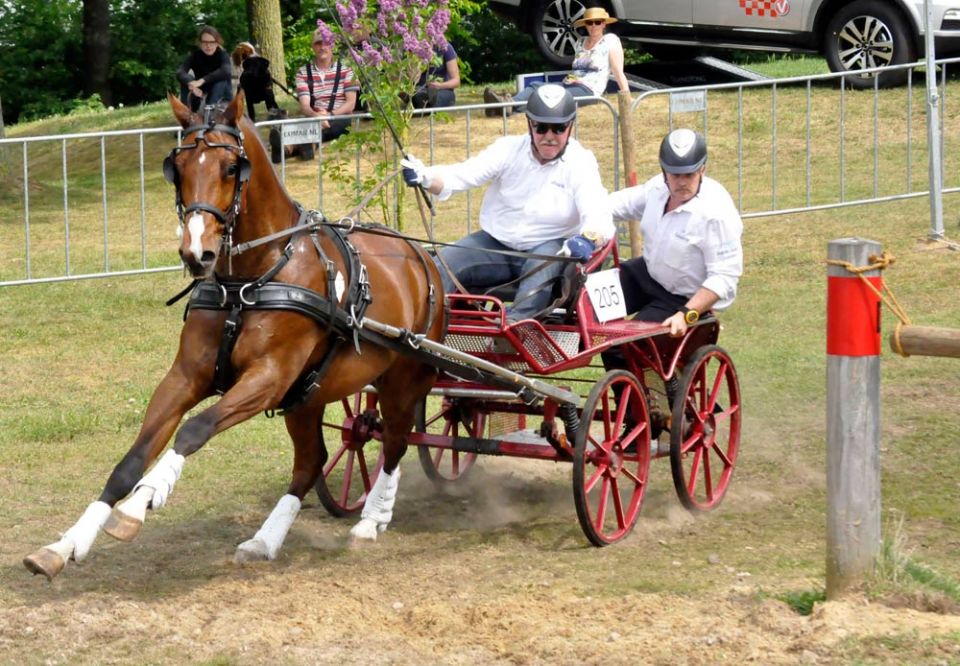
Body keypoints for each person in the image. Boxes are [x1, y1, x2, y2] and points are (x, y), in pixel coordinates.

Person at [401, 84, 615, 323]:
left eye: (559, 128)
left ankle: (513, 332)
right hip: (496, 244)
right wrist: (424, 176)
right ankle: (422, 329)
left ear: (570, 127)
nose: (549, 136)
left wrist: (586, 239)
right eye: (541, 127)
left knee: (543, 268)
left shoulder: (581, 161)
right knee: (441, 264)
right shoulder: (507, 149)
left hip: (551, 247)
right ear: (529, 124)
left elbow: (597, 213)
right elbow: (462, 175)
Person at [606, 128, 743, 338]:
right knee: (588, 302)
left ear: (702, 170)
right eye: (675, 174)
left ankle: (635, 370)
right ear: (664, 172)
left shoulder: (716, 213)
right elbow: (620, 204)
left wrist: (687, 313)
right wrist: (584, 210)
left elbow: (725, 277)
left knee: (622, 345)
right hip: (648, 275)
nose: (681, 182)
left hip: (684, 297)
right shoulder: (658, 188)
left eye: (689, 174)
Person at [484, 6, 629, 116]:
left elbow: (618, 71)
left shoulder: (610, 41)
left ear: (604, 24)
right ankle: (507, 105)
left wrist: (627, 98)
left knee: (552, 97)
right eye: (589, 22)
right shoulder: (580, 42)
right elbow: (576, 70)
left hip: (589, 90)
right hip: (569, 83)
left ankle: (505, 107)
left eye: (597, 22)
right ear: (585, 24)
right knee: (536, 86)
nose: (593, 26)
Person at [270, 23, 359, 164]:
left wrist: (330, 115)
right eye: (318, 43)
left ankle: (289, 147)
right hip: (313, 116)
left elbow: (350, 104)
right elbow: (304, 105)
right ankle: (306, 146)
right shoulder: (303, 72)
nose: (322, 47)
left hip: (339, 117)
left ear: (333, 46)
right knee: (310, 123)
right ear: (313, 47)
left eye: (326, 43)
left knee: (330, 124)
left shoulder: (348, 71)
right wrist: (315, 115)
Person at [176, 26, 233, 112]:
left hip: (221, 93)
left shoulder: (222, 55)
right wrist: (191, 84)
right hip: (200, 92)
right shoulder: (195, 55)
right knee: (186, 81)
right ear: (200, 43)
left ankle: (211, 108)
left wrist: (202, 80)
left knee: (221, 79)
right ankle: (187, 112)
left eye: (212, 42)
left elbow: (226, 71)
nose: (208, 46)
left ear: (217, 43)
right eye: (205, 42)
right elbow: (180, 71)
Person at [231, 41, 281, 122]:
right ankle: (276, 115)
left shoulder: (246, 67)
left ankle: (247, 118)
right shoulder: (261, 63)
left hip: (250, 94)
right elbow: (267, 78)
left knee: (240, 92)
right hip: (265, 91)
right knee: (270, 99)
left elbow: (243, 80)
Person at [412, 42, 460, 109]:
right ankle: (421, 102)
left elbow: (456, 81)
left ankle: (425, 103)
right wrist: (420, 65)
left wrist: (440, 85)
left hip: (442, 90)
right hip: (420, 89)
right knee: (418, 95)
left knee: (437, 98)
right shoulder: (416, 48)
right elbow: (413, 80)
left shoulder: (445, 47)